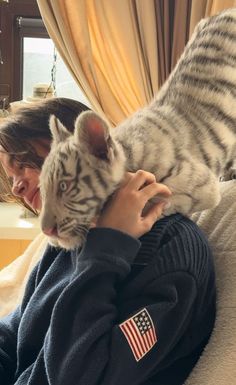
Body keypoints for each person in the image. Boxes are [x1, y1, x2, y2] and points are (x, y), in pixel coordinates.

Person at [0, 97, 216, 385]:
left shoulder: (173, 254)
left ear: (91, 148)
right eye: (10, 175)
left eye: (24, 163)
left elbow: (78, 377)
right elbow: (19, 334)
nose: (17, 186)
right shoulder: (71, 239)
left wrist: (108, 247)